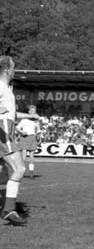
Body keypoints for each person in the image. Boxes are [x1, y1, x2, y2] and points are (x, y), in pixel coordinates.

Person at [0, 56, 40, 225]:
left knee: (4, 173)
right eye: (13, 67)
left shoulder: (7, 89)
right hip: (3, 131)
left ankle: (6, 205)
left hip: (6, 129)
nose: (14, 71)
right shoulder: (1, 86)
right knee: (19, 168)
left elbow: (12, 114)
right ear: (7, 69)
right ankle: (8, 209)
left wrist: (30, 116)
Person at [16, 104, 41, 179]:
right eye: (32, 111)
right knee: (23, 156)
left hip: (32, 137)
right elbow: (17, 128)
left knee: (31, 157)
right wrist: (21, 132)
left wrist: (39, 139)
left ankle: (31, 173)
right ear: (29, 112)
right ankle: (21, 172)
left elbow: (38, 131)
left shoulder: (36, 121)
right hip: (25, 137)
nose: (33, 112)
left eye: (34, 111)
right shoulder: (24, 120)